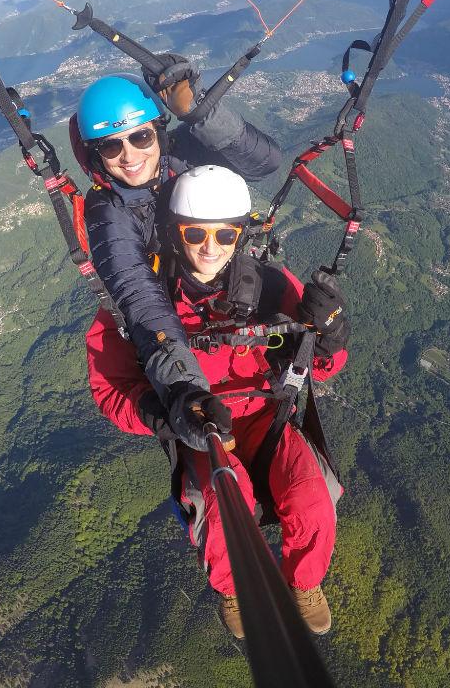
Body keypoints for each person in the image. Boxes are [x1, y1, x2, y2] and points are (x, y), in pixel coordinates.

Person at [86, 165, 350, 639]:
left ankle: (304, 582)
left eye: (225, 233)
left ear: (240, 234)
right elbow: (109, 390)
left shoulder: (269, 285)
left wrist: (328, 337)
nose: (211, 247)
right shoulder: (139, 305)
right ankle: (236, 590)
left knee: (313, 501)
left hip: (265, 419)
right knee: (227, 505)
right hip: (202, 428)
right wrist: (166, 413)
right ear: (173, 232)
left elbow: (319, 364)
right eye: (195, 233)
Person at [69, 57, 281, 446]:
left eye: (140, 137)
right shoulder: (107, 208)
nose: (129, 156)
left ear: (158, 132)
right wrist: (185, 388)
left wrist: (202, 113)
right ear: (95, 153)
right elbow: (137, 291)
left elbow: (266, 162)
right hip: (171, 296)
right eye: (111, 145)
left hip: (217, 272)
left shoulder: (184, 154)